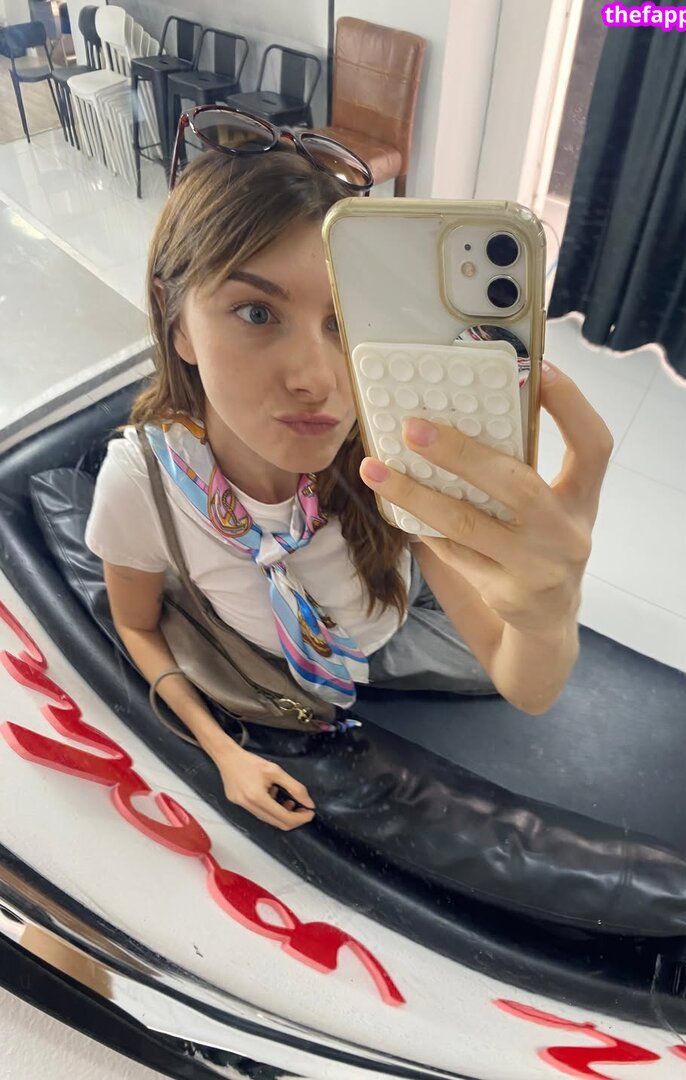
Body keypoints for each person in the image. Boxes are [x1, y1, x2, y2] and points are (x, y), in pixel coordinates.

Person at [85, 109, 613, 835]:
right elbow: (133, 624)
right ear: (178, 323)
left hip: (396, 613)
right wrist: (222, 752)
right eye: (256, 313)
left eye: (344, 323)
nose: (317, 381)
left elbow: (525, 682)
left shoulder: (389, 445)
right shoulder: (139, 486)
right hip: (327, 664)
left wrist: (549, 617)